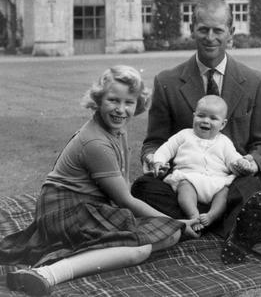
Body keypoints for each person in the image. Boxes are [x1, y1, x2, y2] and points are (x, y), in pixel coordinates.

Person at [0, 66, 199, 296]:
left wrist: (172, 225)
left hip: (88, 205)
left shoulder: (118, 130)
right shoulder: (96, 143)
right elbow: (126, 200)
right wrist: (179, 222)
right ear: (98, 100)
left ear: (138, 104)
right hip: (65, 208)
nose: (121, 110)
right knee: (141, 249)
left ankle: (86, 252)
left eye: (129, 102)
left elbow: (123, 188)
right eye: (113, 100)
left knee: (167, 233)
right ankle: (47, 273)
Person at [131, 0, 261, 264]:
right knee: (143, 187)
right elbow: (154, 141)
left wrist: (251, 163)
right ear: (192, 29)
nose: (210, 37)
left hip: (232, 184)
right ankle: (240, 223)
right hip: (185, 186)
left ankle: (196, 223)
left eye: (218, 30)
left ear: (230, 33)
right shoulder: (167, 82)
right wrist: (153, 160)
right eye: (203, 29)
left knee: (252, 186)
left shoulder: (255, 82)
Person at [152, 95, 258, 232]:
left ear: (223, 124)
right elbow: (167, 148)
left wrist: (242, 163)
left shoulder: (224, 141)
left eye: (213, 118)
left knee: (224, 192)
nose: (206, 121)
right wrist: (159, 161)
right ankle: (193, 215)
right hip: (190, 177)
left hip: (216, 181)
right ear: (194, 116)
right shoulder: (184, 135)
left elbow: (233, 158)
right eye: (201, 116)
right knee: (184, 187)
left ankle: (212, 215)